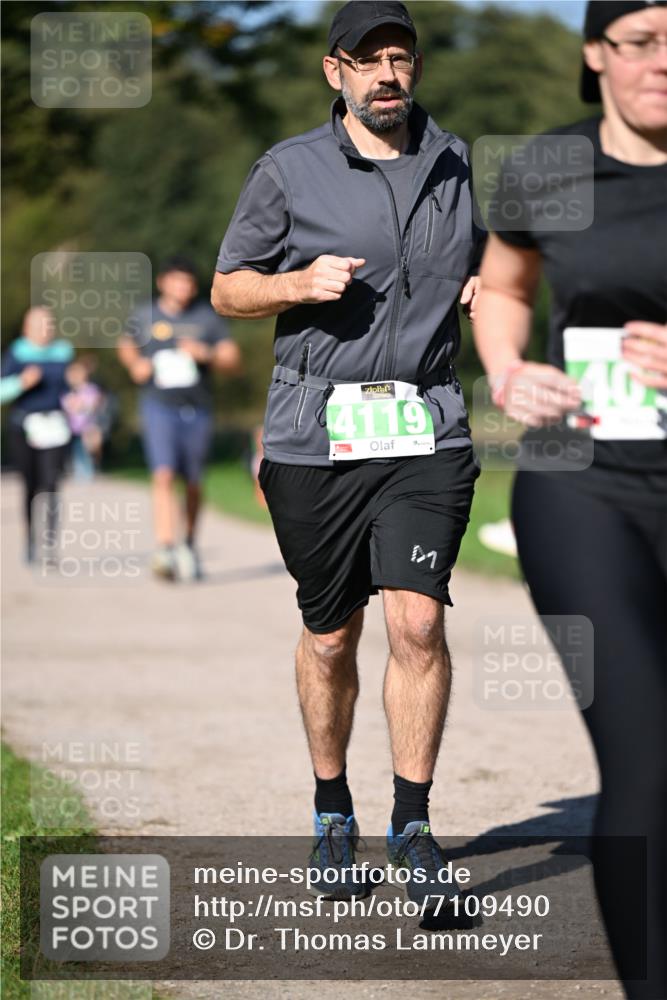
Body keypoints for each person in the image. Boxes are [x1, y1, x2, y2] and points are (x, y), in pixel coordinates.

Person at [212, 0, 485, 904]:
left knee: (418, 621)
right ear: (334, 72)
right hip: (315, 434)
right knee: (330, 636)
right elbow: (226, 289)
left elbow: (491, 260)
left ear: (414, 69)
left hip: (426, 425)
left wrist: (487, 275)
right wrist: (294, 283)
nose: (386, 74)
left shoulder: (456, 164)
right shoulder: (287, 170)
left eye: (399, 58)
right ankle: (333, 809)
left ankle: (412, 824)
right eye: (367, 60)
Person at [474, 3, 666, 996]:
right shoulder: (548, 166)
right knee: (645, 758)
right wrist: (507, 371)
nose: (662, 63)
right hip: (582, 479)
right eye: (640, 39)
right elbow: (502, 284)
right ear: (596, 54)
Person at [118, 255, 241, 582]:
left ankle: (187, 542)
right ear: (163, 282)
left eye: (187, 281)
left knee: (193, 481)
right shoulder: (145, 315)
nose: (182, 287)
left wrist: (207, 354)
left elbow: (232, 359)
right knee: (163, 474)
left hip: (197, 408)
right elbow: (127, 345)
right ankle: (165, 547)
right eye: (176, 280)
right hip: (158, 405)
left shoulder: (206, 318)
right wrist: (135, 365)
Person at [1, 306, 74, 564]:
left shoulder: (63, 353)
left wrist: (73, 399)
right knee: (30, 486)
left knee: (51, 484)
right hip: (25, 427)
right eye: (41, 324)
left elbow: (68, 389)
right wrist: (22, 382)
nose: (47, 329)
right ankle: (30, 540)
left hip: (55, 426)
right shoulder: (17, 353)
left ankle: (50, 545)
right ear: (27, 328)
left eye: (50, 324)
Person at [60, 354, 106, 481]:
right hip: (73, 427)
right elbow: (65, 405)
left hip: (89, 426)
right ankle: (79, 471)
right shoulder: (67, 392)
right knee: (76, 450)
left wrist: (82, 406)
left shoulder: (91, 389)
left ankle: (88, 471)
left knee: (88, 449)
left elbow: (95, 404)